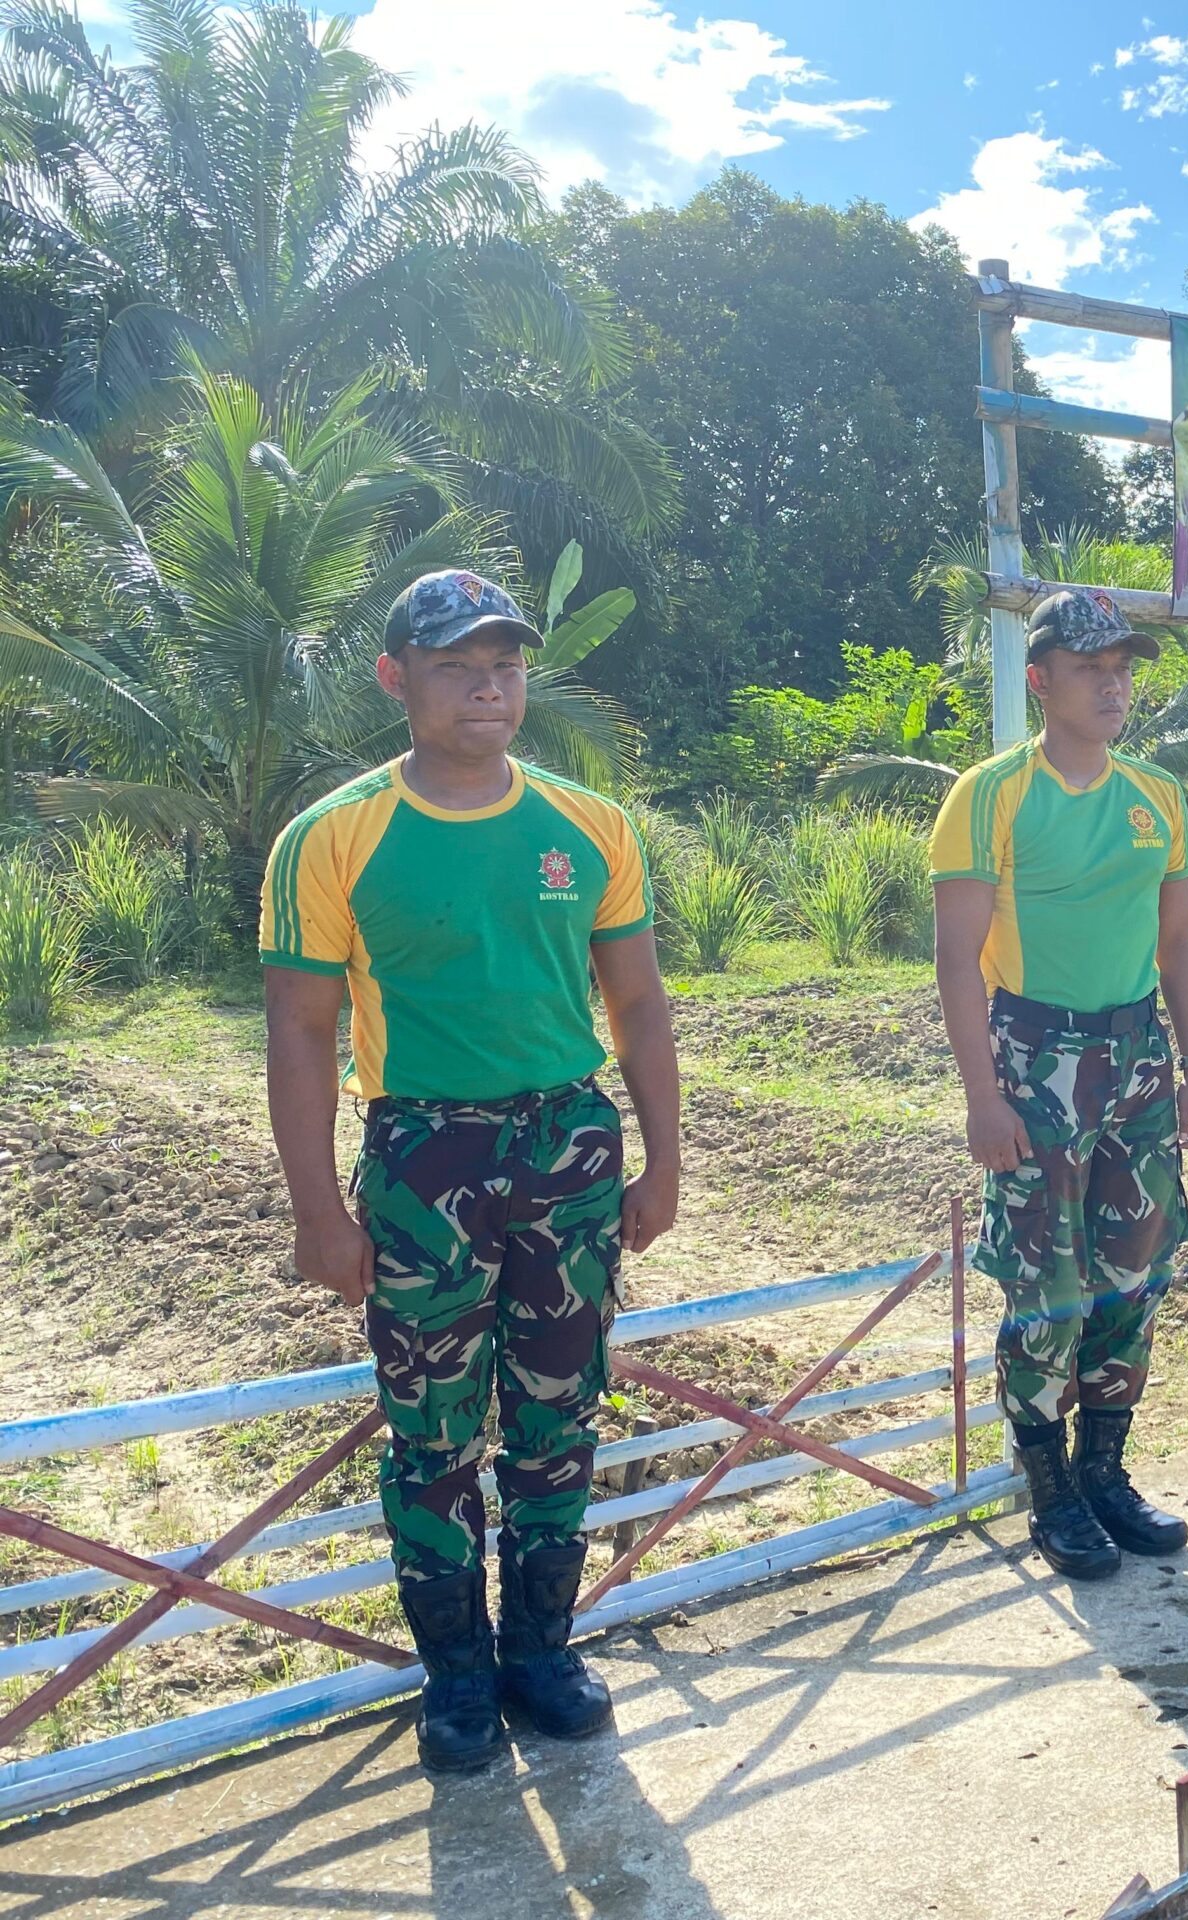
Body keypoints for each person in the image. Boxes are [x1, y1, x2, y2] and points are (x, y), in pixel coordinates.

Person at [261, 569, 681, 1774]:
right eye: (454, 665)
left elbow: (638, 1001)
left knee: (559, 1411)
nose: (485, 686)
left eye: (503, 664)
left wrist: (660, 1160)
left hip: (568, 1143)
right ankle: (454, 1676)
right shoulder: (334, 836)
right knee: (432, 1432)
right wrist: (315, 1210)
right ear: (396, 678)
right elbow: (300, 1028)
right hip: (422, 1154)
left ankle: (542, 1649)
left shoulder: (588, 826)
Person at [930, 587, 1188, 1584]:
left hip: (1135, 1055)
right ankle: (1048, 1485)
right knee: (1043, 1283)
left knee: (1132, 1270)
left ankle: (1106, 1470)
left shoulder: (1156, 796)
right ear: (1040, 678)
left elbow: (1176, 938)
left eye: (1123, 668)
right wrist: (982, 1097)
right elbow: (957, 958)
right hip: (1034, 1056)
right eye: (1091, 668)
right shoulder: (993, 793)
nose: (1113, 685)